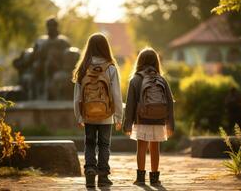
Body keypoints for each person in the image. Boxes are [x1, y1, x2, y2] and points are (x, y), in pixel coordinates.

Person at [72, 33, 123, 188]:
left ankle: (89, 172)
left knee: (89, 143)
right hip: (106, 115)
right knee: (104, 145)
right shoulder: (111, 68)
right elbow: (116, 94)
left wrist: (79, 116)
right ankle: (103, 177)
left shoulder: (83, 68)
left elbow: (77, 96)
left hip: (88, 115)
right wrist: (119, 116)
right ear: (105, 47)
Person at [123, 48, 175, 186]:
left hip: (142, 119)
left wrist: (127, 124)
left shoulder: (135, 79)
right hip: (159, 119)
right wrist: (170, 124)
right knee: (155, 147)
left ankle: (140, 178)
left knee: (141, 147)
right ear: (156, 62)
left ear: (139, 61)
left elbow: (130, 104)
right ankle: (155, 178)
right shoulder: (161, 79)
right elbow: (170, 102)